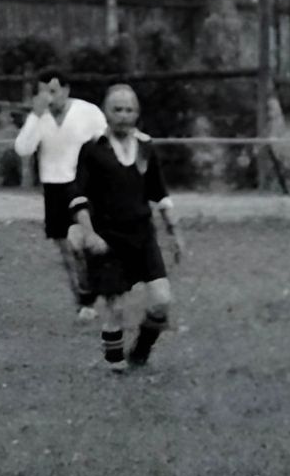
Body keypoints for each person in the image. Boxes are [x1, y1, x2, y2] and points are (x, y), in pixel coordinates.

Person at [69, 84, 185, 371]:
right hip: (108, 238)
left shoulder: (146, 147)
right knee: (116, 307)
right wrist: (89, 232)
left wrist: (176, 233)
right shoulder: (93, 150)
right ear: (106, 113)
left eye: (129, 109)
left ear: (137, 113)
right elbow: (78, 197)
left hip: (142, 236)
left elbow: (160, 194)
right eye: (117, 109)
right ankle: (115, 364)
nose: (123, 115)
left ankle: (141, 352)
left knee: (161, 300)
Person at [13, 69, 107, 320]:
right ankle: (83, 301)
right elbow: (23, 149)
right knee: (66, 249)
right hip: (53, 187)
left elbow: (105, 145)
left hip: (82, 185)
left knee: (82, 243)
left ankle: (94, 293)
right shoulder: (39, 117)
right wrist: (35, 114)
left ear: (66, 90)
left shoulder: (88, 112)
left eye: (53, 91)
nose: (49, 97)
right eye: (43, 92)